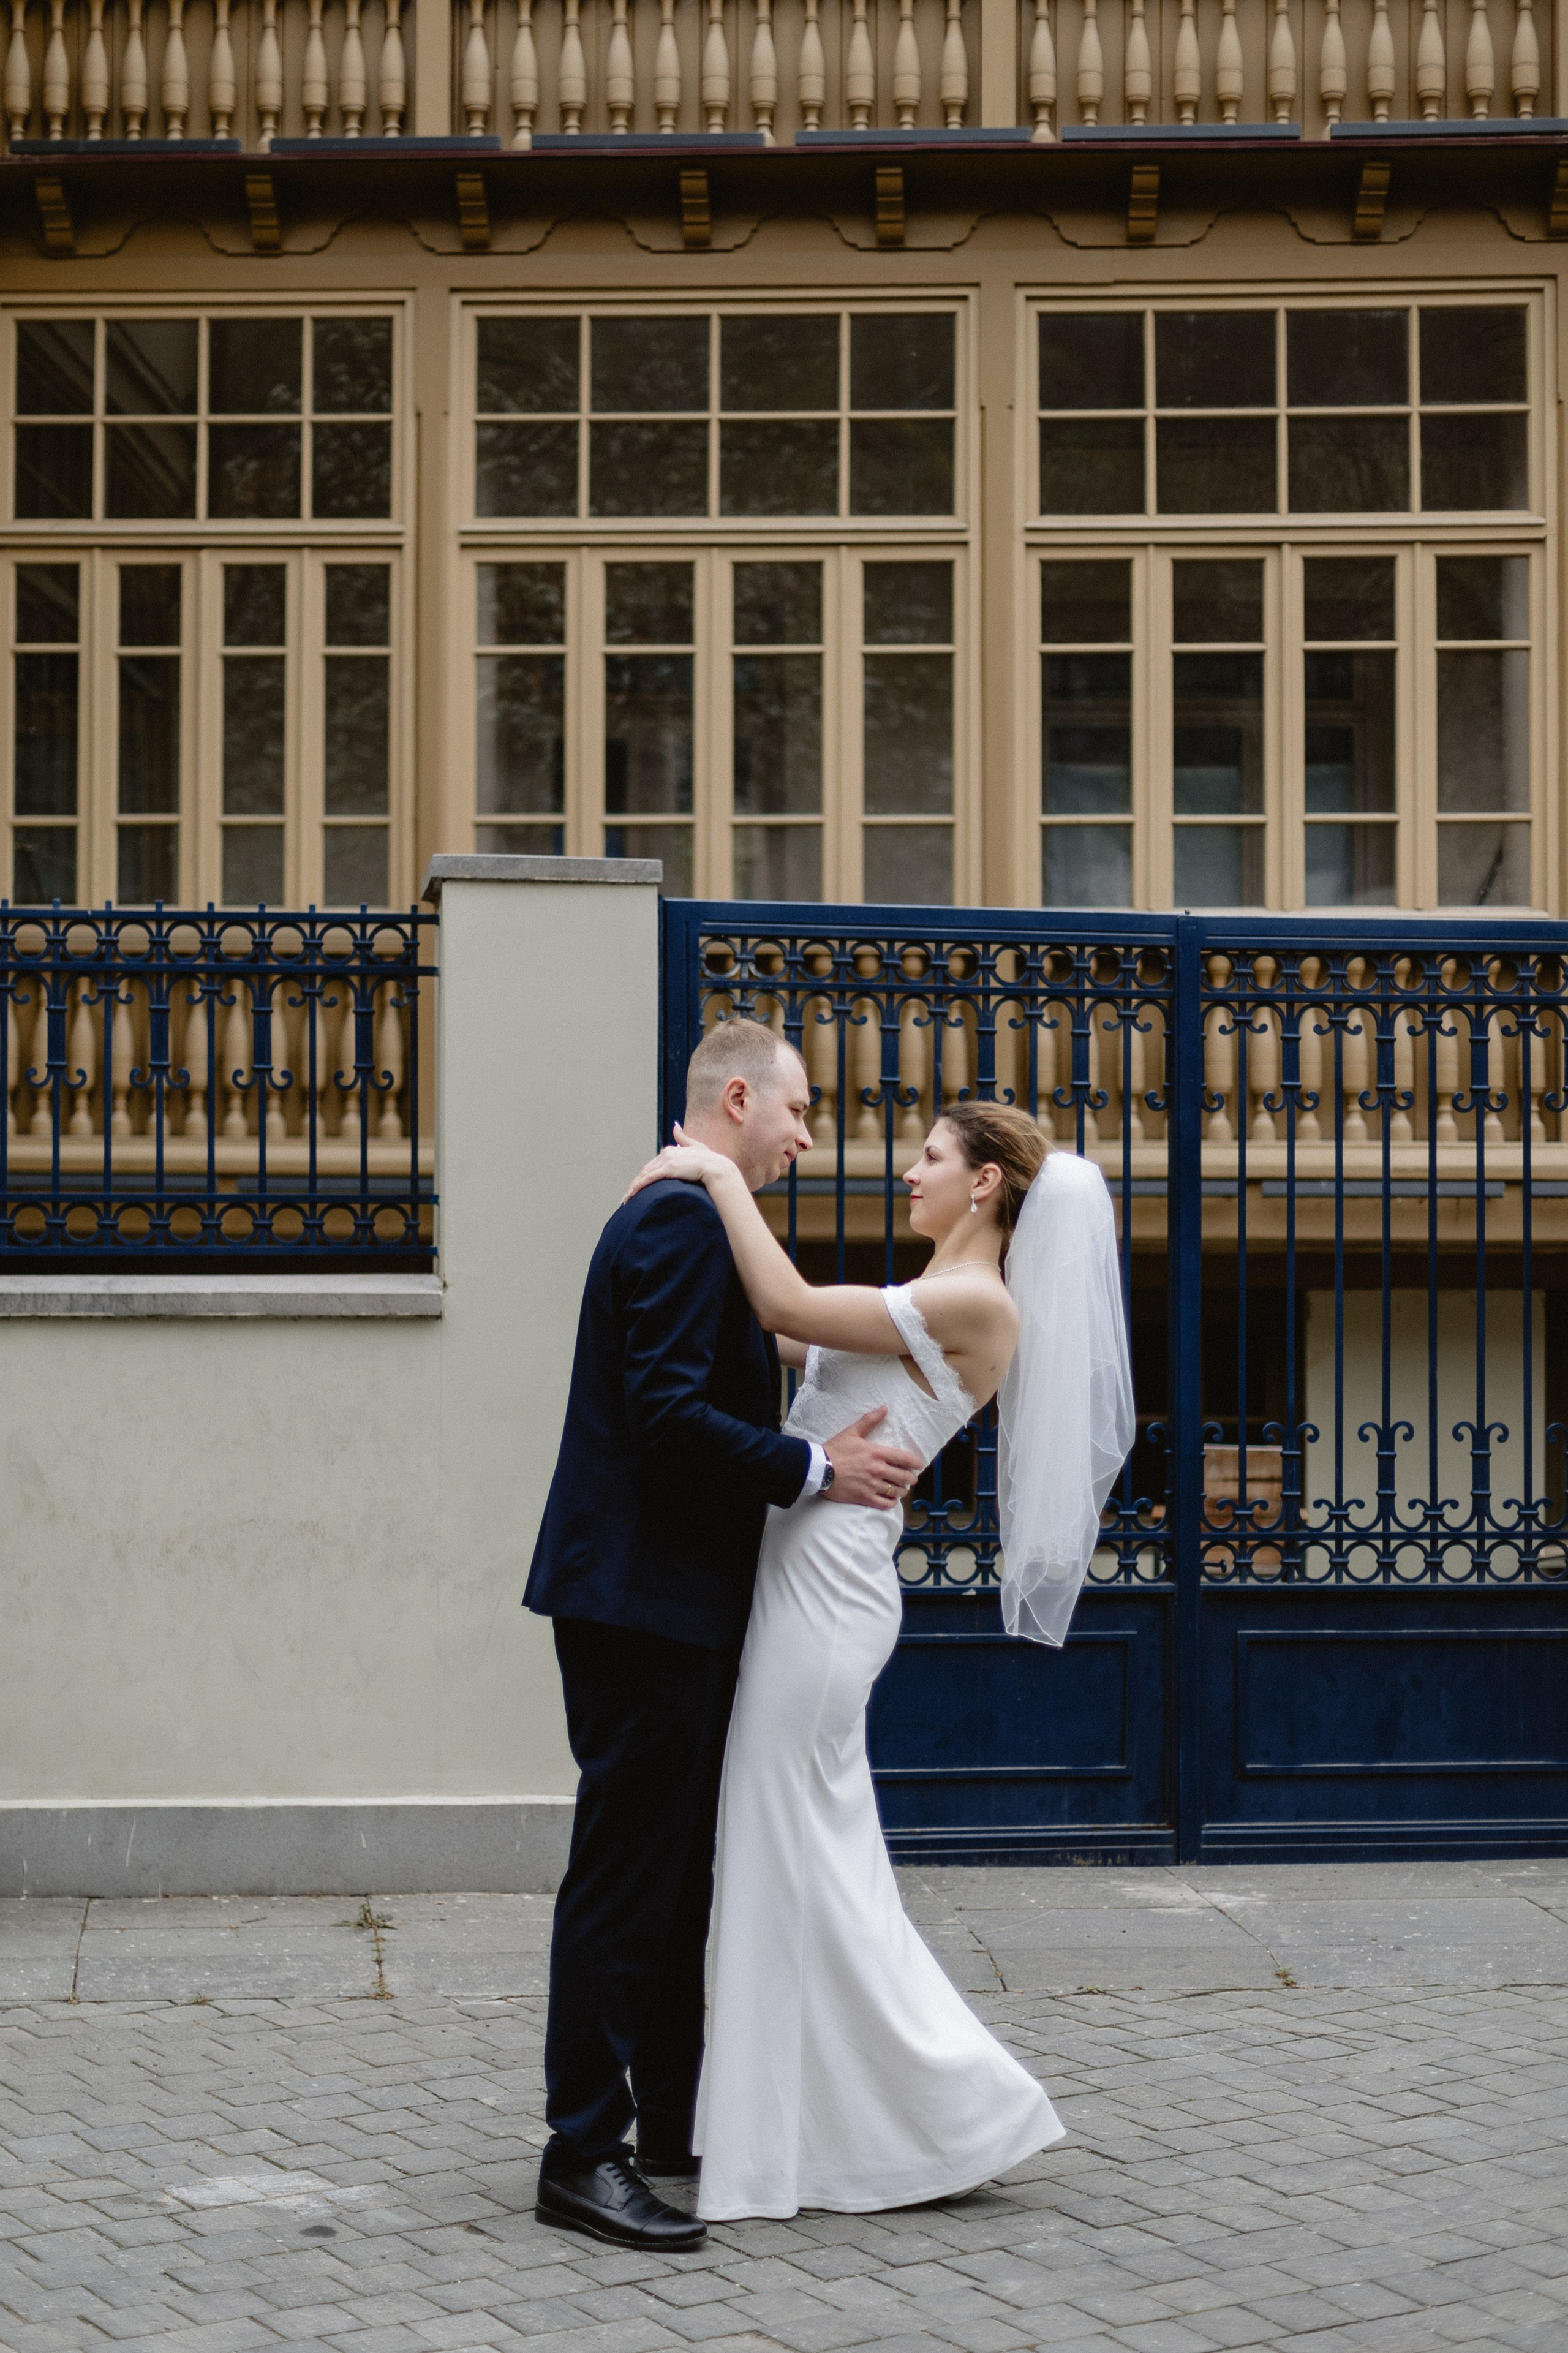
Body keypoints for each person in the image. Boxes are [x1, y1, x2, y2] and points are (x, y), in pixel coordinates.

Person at [623, 1093, 1134, 2220]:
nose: (911, 1170)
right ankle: (801, 2125)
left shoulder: (973, 1299)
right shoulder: (922, 1296)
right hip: (794, 1579)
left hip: (828, 1595)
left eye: (931, 1156)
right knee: (795, 1852)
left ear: (985, 1182)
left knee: (792, 1848)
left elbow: (786, 1298)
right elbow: (792, 1336)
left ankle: (949, 2103)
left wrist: (710, 1175)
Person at [523, 1018, 924, 2252]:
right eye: (797, 1111)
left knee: (676, 1875)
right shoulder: (675, 1223)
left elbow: (754, 1352)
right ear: (737, 1096)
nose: (808, 1135)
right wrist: (814, 1463)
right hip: (640, 1604)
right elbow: (668, 1418)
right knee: (627, 1878)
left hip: (670, 1602)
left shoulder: (702, 1223)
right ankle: (578, 2149)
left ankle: (666, 2122)